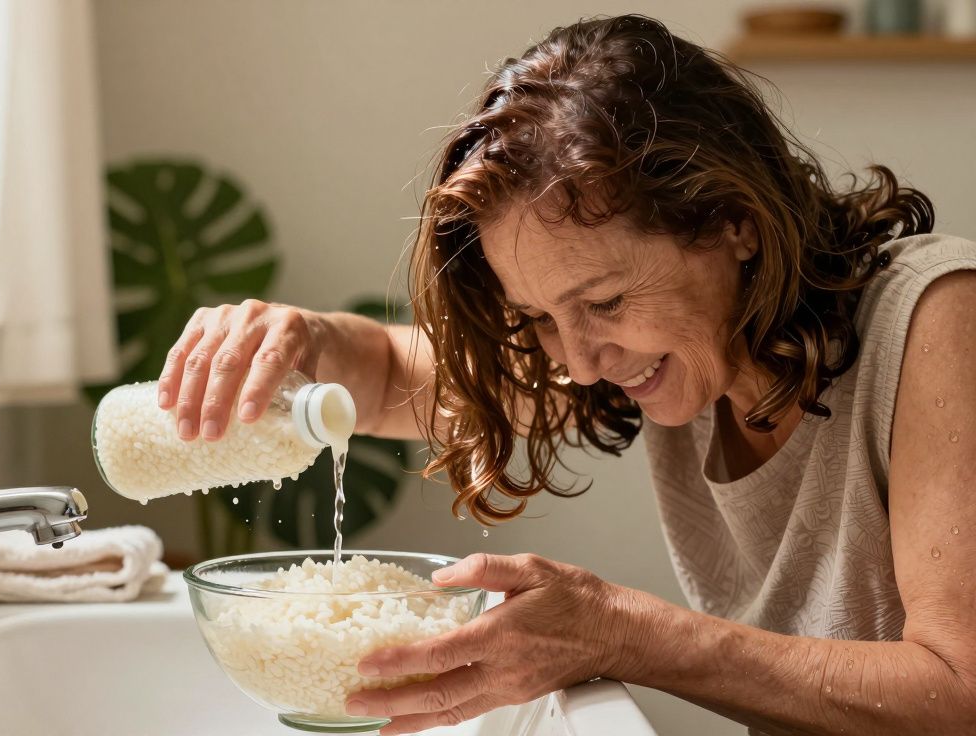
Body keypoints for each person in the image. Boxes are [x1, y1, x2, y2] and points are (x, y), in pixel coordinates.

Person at [157, 14, 976, 735]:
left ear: (736, 224)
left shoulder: (940, 318)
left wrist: (625, 633)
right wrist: (301, 338)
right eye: (542, 318)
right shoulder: (692, 342)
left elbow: (961, 689)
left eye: (607, 301)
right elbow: (385, 379)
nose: (580, 363)